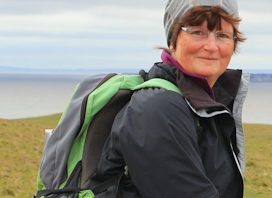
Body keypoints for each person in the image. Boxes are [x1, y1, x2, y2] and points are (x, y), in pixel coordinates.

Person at [89, 0, 248, 197]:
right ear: (172, 40)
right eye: (198, 32)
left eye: (222, 35)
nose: (211, 46)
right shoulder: (158, 108)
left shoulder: (204, 104)